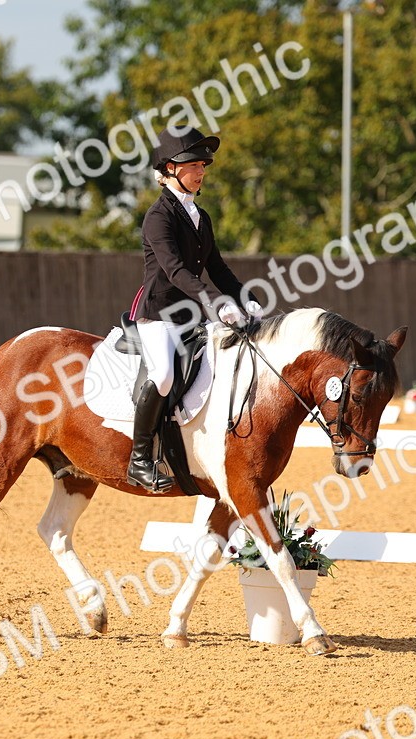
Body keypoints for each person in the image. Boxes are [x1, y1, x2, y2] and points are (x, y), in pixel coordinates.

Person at [125, 127, 263, 492]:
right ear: (170, 168)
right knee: (165, 374)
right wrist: (215, 302)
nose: (201, 171)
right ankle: (139, 459)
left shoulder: (199, 216)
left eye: (203, 165)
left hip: (193, 315)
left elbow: (217, 268)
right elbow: (175, 270)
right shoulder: (158, 216)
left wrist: (244, 296)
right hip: (159, 314)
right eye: (193, 164)